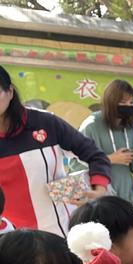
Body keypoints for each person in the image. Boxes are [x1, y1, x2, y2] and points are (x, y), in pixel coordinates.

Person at [0, 65, 111, 237]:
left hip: (60, 230)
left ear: (10, 92)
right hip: (13, 239)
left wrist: (99, 189)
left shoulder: (44, 122)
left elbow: (94, 154)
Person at [75, 79, 133, 200]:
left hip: (127, 196)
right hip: (100, 197)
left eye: (131, 103)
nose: (128, 106)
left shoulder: (129, 127)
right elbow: (75, 164)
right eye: (123, 102)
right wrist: (110, 159)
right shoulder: (91, 125)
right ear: (110, 101)